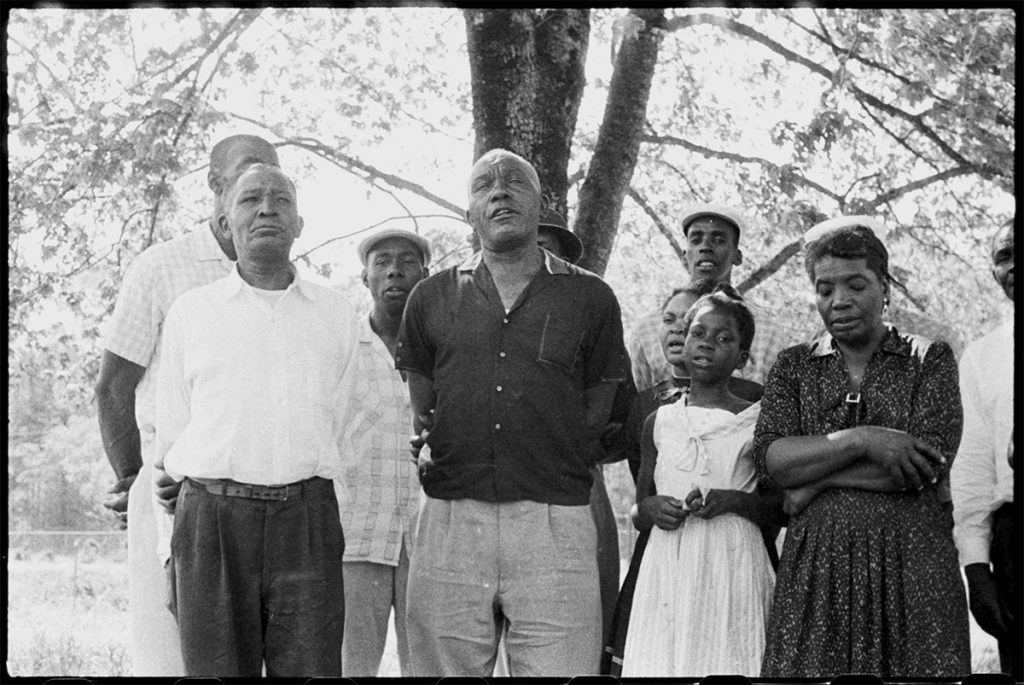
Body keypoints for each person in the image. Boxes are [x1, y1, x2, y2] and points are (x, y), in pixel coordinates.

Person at [396, 149, 629, 677]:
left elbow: (597, 414)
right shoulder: (430, 297)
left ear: (541, 202)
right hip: (452, 516)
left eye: (515, 181)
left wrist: (539, 449)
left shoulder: (590, 297)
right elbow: (424, 410)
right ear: (470, 210)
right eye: (484, 185)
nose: (500, 190)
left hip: (555, 519)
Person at [153, 163, 360, 676]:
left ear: (298, 224)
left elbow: (346, 423)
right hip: (212, 525)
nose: (266, 208)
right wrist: (171, 548)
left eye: (280, 200)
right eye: (250, 200)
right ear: (226, 225)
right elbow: (172, 432)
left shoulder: (335, 313)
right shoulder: (191, 313)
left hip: (306, 522)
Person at [94, 134, 279, 676]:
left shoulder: (283, 277)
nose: (260, 192)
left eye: (273, 176)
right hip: (172, 500)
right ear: (215, 186)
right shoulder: (163, 268)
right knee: (169, 657)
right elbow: (111, 387)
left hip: (264, 502)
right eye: (247, 173)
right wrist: (134, 481)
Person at [754, 216, 970, 677]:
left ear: (884, 286)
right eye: (825, 288)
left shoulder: (929, 359)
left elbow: (923, 465)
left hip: (911, 566)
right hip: (818, 571)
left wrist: (817, 478)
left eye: (856, 284)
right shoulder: (794, 366)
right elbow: (773, 460)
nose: (840, 300)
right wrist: (863, 438)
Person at [621, 286, 783, 676]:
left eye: (723, 338)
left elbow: (779, 509)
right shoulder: (658, 422)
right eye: (697, 332)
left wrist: (732, 501)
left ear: (743, 357)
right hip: (668, 568)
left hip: (731, 565)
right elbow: (639, 510)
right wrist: (651, 509)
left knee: (728, 658)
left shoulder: (758, 422)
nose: (706, 344)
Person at [338, 228, 431, 677]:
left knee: (429, 667)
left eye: (407, 261)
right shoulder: (340, 349)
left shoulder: (443, 350)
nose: (394, 269)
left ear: (426, 275)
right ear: (365, 279)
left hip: (428, 538)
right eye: (382, 262)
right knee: (349, 669)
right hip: (358, 536)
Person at [536, 207, 620, 647]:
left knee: (579, 623)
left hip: (574, 482)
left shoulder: (592, 318)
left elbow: (617, 413)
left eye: (547, 252)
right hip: (493, 487)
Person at [628, 203, 792, 393]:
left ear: (737, 257)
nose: (705, 247)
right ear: (684, 256)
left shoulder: (768, 331)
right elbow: (643, 402)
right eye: (696, 240)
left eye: (719, 240)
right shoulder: (648, 328)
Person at [951, 218, 1017, 679]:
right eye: (1004, 256)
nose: (1014, 265)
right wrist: (977, 568)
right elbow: (972, 470)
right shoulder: (983, 357)